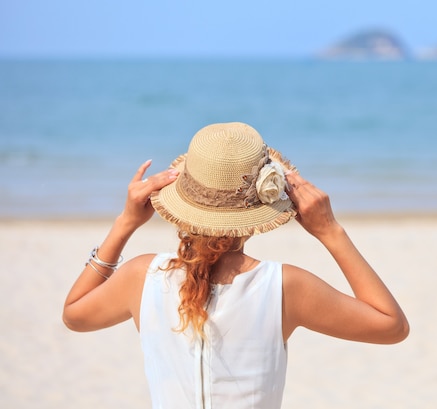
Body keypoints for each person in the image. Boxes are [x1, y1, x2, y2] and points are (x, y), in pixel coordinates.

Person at [63, 122, 409, 408]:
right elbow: (391, 326)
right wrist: (330, 231)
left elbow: (74, 314)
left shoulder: (141, 277)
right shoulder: (285, 287)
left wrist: (125, 223)